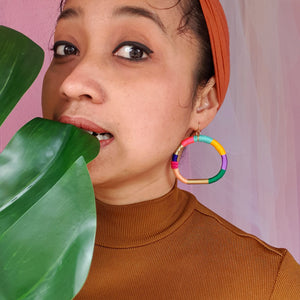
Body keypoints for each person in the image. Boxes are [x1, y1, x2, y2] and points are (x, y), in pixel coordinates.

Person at [41, 0, 300, 298]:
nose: (72, 84)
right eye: (66, 48)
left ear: (202, 102)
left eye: (132, 51)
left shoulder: (267, 285)